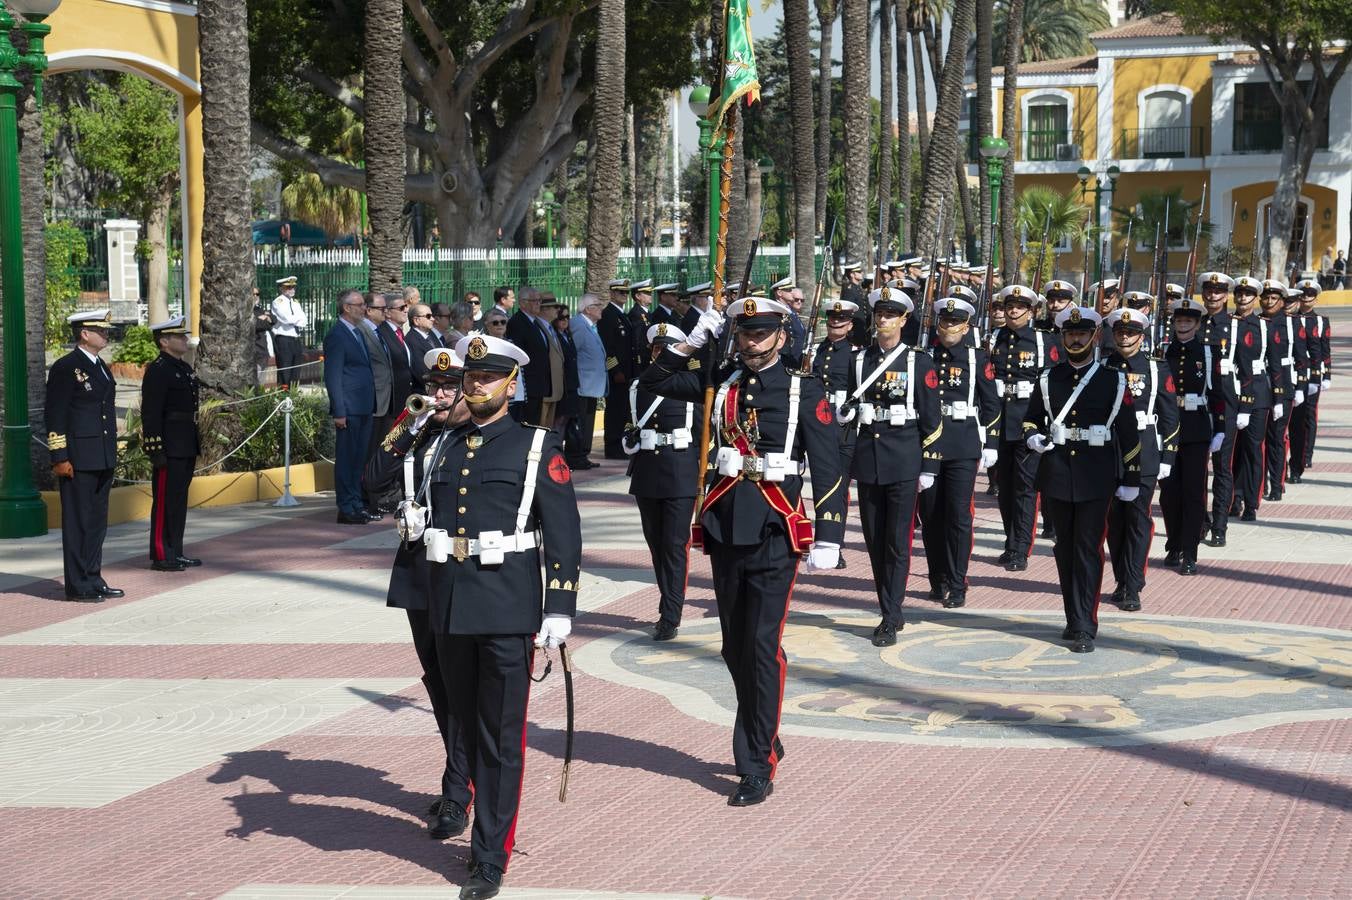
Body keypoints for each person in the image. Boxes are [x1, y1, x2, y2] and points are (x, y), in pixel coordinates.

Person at [641, 296, 845, 808]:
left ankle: (755, 761)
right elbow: (655, 382)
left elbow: (828, 463)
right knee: (734, 646)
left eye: (760, 333)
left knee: (759, 644)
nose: (750, 341)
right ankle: (763, 723)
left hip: (777, 528)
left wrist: (830, 536)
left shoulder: (804, 389)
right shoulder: (721, 383)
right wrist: (690, 342)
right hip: (726, 524)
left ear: (781, 334)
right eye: (743, 333)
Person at [429, 334, 582, 900]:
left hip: (507, 608)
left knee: (499, 739)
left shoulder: (537, 447)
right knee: (462, 727)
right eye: (471, 376)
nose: (475, 385)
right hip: (451, 604)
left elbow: (564, 534)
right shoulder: (445, 444)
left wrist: (559, 607)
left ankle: (490, 856)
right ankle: (465, 810)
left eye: (487, 377)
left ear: (511, 384)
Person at [364, 347, 474, 843]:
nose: (441, 394)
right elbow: (372, 482)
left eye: (451, 387)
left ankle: (459, 787)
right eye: (436, 386)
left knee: (463, 681)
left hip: (467, 572)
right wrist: (409, 423)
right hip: (418, 570)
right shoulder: (419, 433)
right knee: (437, 677)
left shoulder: (483, 437)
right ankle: (460, 773)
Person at [1023, 306, 1142, 653]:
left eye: (1082, 333)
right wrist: (1034, 437)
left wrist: (1130, 476)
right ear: (1062, 336)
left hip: (1096, 475)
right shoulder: (1048, 378)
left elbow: (1130, 434)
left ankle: (1085, 625)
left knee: (1088, 549)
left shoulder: (1113, 380)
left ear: (1095, 337)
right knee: (1064, 549)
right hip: (1058, 473)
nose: (1075, 339)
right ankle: (1072, 616)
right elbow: (1031, 419)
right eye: (1070, 334)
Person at [836, 285, 943, 645]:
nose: (883, 320)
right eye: (879, 314)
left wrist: (929, 466)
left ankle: (890, 613)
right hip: (868, 459)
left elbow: (932, 418)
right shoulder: (857, 360)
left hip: (903, 459)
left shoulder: (918, 361)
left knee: (897, 543)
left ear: (903, 319)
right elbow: (851, 407)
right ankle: (889, 605)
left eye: (890, 314)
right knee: (874, 540)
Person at [919, 296, 1001, 608]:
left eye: (956, 322)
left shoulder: (976, 359)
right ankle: (937, 579)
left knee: (957, 515)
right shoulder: (924, 357)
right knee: (930, 515)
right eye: (945, 320)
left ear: (966, 326)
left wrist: (991, 443)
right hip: (928, 445)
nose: (949, 326)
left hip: (962, 444)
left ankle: (957, 581)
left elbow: (991, 403)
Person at [624, 323, 701, 641]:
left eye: (666, 350)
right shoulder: (637, 386)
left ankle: (671, 613)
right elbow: (631, 428)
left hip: (680, 471)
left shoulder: (693, 386)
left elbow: (707, 436)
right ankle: (667, 598)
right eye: (656, 349)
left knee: (674, 545)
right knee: (656, 544)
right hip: (647, 473)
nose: (660, 355)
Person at [1101, 307, 1179, 612]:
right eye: (1120, 332)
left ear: (1141, 337)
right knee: (1114, 522)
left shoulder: (1157, 369)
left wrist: (1167, 456)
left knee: (1137, 521)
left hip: (1145, 453)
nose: (1124, 337)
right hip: (1110, 453)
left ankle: (1133, 584)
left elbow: (1171, 417)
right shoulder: (1102, 367)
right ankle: (1121, 579)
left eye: (1131, 332)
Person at [46, 309, 123, 602]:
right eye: (100, 330)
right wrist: (60, 456)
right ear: (84, 334)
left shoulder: (100, 365)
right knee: (78, 522)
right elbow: (57, 414)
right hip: (78, 456)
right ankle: (77, 584)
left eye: (107, 330)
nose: (106, 334)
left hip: (101, 454)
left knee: (96, 521)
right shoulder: (67, 367)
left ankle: (93, 576)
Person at [989, 283, 1060, 571]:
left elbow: (1055, 382)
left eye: (1020, 307)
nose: (1014, 311)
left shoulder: (1044, 341)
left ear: (1031, 311)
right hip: (1000, 419)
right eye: (1009, 306)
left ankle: (1021, 548)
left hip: (1029, 421)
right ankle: (1010, 541)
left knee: (1026, 488)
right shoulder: (994, 337)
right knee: (1005, 488)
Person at [1160, 297, 1224, 575]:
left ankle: (1190, 552)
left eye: (1189, 320)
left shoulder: (1208, 353)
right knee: (1169, 495)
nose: (1183, 324)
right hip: (1167, 429)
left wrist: (1220, 428)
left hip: (1197, 429)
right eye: (1179, 320)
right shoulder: (1163, 352)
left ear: (1198, 324)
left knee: (1194, 494)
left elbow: (1218, 393)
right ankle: (1173, 543)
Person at [141, 316, 203, 572]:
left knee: (178, 500)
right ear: (164, 341)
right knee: (166, 501)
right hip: (169, 444)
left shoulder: (182, 368)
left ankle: (175, 550)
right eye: (179, 336)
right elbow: (151, 413)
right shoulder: (158, 370)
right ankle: (161, 553)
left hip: (185, 441)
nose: (184, 339)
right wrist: (156, 449)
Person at [1227, 276, 1281, 522]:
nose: (1242, 298)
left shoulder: (1263, 326)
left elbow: (1276, 363)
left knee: (1252, 450)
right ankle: (1233, 498)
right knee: (1231, 452)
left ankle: (1251, 502)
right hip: (1231, 393)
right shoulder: (1225, 324)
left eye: (1248, 294)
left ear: (1254, 298)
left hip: (1258, 395)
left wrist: (1279, 396)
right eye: (1239, 294)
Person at [324, 289, 380, 525]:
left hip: (364, 406)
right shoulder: (337, 335)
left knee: (358, 460)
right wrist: (339, 411)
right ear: (346, 307)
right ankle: (346, 507)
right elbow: (333, 376)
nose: (363, 308)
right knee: (347, 460)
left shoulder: (356, 333)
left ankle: (356, 503)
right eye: (358, 305)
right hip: (349, 408)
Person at [812, 297, 860, 569]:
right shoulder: (819, 349)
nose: (836, 323)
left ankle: (835, 544)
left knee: (837, 489)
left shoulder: (855, 352)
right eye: (832, 319)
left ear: (850, 324)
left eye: (841, 321)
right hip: (819, 422)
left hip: (842, 427)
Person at [1198, 272, 1240, 546]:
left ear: (1226, 295)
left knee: (1222, 469)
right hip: (1199, 406)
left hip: (1226, 404)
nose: (1212, 296)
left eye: (1218, 291)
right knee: (1197, 470)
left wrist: (1245, 404)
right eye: (1208, 291)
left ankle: (1220, 527)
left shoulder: (1236, 326)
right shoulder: (1194, 324)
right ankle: (1201, 521)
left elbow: (1247, 368)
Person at [1257, 279, 1300, 503]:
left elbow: (1302, 357)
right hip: (1258, 388)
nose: (1268, 302)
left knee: (1276, 438)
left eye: (1274, 298)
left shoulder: (1291, 324)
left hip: (1283, 387)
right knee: (1258, 440)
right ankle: (1260, 483)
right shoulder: (1254, 322)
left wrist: (1301, 385)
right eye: (1265, 297)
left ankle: (1277, 483)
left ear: (1282, 301)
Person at [1289, 279, 1332, 481]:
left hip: (1313, 375)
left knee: (1308, 416)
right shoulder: (1289, 318)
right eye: (1303, 294)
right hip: (1292, 372)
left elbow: (1324, 350)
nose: (1306, 298)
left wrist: (1326, 375)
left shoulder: (1321, 321)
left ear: (1315, 298)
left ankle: (1306, 455)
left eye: (1310, 295)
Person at [505, 286, 564, 427]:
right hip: (529, 386)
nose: (539, 304)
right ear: (523, 303)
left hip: (540, 386)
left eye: (539, 300)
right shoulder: (517, 322)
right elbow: (519, 354)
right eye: (535, 301)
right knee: (530, 425)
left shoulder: (534, 322)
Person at [599, 278, 637, 458]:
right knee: (615, 410)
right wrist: (615, 371)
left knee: (624, 410)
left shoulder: (623, 315)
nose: (624, 295)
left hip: (628, 372)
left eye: (626, 293)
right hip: (618, 374)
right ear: (612, 294)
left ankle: (621, 445)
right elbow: (608, 348)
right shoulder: (608, 315)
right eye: (621, 292)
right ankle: (613, 446)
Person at [568, 294, 608, 469]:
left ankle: (583, 454)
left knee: (588, 421)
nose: (601, 308)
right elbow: (572, 353)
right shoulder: (578, 324)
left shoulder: (591, 325)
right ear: (587, 309)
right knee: (581, 421)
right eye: (597, 305)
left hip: (591, 384)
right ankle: (577, 455)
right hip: (583, 383)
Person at [548, 301, 581, 446]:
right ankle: (555, 449)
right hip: (563, 385)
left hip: (572, 384)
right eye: (562, 318)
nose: (565, 321)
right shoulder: (555, 336)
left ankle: (560, 450)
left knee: (566, 420)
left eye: (568, 317)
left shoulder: (567, 335)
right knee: (559, 420)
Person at [270, 275, 308, 390]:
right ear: (281, 289)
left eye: (293, 287)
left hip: (295, 339)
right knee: (285, 369)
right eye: (288, 287)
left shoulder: (296, 302)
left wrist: (295, 320)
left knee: (296, 369)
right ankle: (284, 395)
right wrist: (296, 320)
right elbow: (285, 319)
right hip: (283, 339)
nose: (292, 290)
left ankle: (293, 394)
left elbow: (304, 321)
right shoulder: (278, 302)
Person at [406, 302, 444, 393]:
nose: (433, 319)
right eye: (428, 316)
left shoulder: (431, 335)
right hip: (425, 392)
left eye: (432, 316)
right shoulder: (411, 340)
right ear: (416, 320)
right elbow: (421, 372)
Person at [627, 279, 656, 367]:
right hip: (642, 360)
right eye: (647, 293)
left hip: (649, 357)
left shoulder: (647, 313)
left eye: (650, 293)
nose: (650, 295)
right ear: (638, 296)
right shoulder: (636, 313)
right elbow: (637, 340)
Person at [251, 287, 275, 384]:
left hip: (263, 351)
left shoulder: (259, 309)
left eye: (257, 294)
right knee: (255, 382)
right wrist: (265, 320)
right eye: (253, 294)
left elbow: (274, 319)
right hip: (254, 351)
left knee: (261, 383)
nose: (256, 296)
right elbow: (257, 325)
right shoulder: (247, 311)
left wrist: (266, 319)